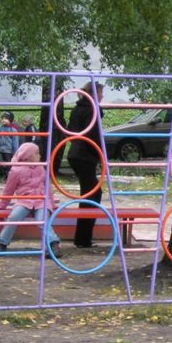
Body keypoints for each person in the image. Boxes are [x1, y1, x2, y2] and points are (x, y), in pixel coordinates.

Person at [0, 142, 61, 256]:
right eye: (37, 153)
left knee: (42, 220)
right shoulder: (16, 170)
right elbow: (9, 190)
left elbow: (47, 188)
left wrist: (51, 204)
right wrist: (2, 205)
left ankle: (53, 244)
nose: (40, 156)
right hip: (24, 201)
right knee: (13, 217)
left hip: (41, 201)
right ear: (27, 156)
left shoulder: (41, 168)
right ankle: (2, 244)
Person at [66, 82, 105, 249]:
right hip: (85, 156)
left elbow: (70, 129)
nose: (103, 96)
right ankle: (83, 239)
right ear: (95, 93)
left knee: (90, 194)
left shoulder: (78, 108)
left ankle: (82, 238)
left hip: (76, 154)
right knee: (92, 195)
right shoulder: (92, 109)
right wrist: (101, 153)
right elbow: (93, 134)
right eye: (101, 93)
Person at [0, 112, 19, 178]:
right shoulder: (0, 128)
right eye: (3, 118)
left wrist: (15, 152)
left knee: (8, 163)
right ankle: (2, 173)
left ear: (10, 120)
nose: (3, 120)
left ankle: (7, 176)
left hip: (8, 150)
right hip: (0, 149)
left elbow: (15, 142)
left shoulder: (13, 129)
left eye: (6, 118)